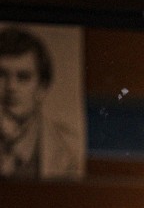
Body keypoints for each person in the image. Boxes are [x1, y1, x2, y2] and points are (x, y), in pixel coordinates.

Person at [0, 27, 83, 180]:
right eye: (2, 75)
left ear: (41, 88)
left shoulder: (67, 150)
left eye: (23, 77)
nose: (11, 87)